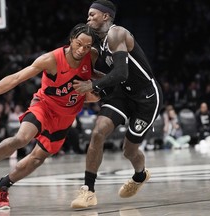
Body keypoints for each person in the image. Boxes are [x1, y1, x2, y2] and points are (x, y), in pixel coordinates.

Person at [0, 23, 100, 210]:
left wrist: (96, 89)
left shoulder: (92, 56)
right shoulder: (51, 60)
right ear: (71, 39)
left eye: (87, 46)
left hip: (65, 117)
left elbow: (96, 81)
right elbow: (16, 78)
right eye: (79, 44)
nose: (82, 50)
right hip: (44, 106)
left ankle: (3, 185)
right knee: (22, 138)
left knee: (37, 159)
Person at [71, 0, 163, 209]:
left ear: (106, 16)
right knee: (97, 133)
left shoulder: (117, 33)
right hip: (122, 94)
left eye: (92, 14)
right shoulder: (99, 45)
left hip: (146, 98)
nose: (88, 18)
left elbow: (122, 72)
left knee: (129, 151)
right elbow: (114, 76)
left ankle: (140, 175)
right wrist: (99, 87)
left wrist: (93, 85)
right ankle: (88, 191)